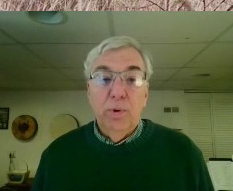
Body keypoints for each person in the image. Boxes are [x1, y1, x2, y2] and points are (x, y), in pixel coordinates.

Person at [31, 35, 214, 190]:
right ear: (89, 92)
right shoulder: (56, 157)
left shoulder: (184, 153)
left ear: (146, 94)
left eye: (132, 79)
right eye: (104, 78)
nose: (118, 92)